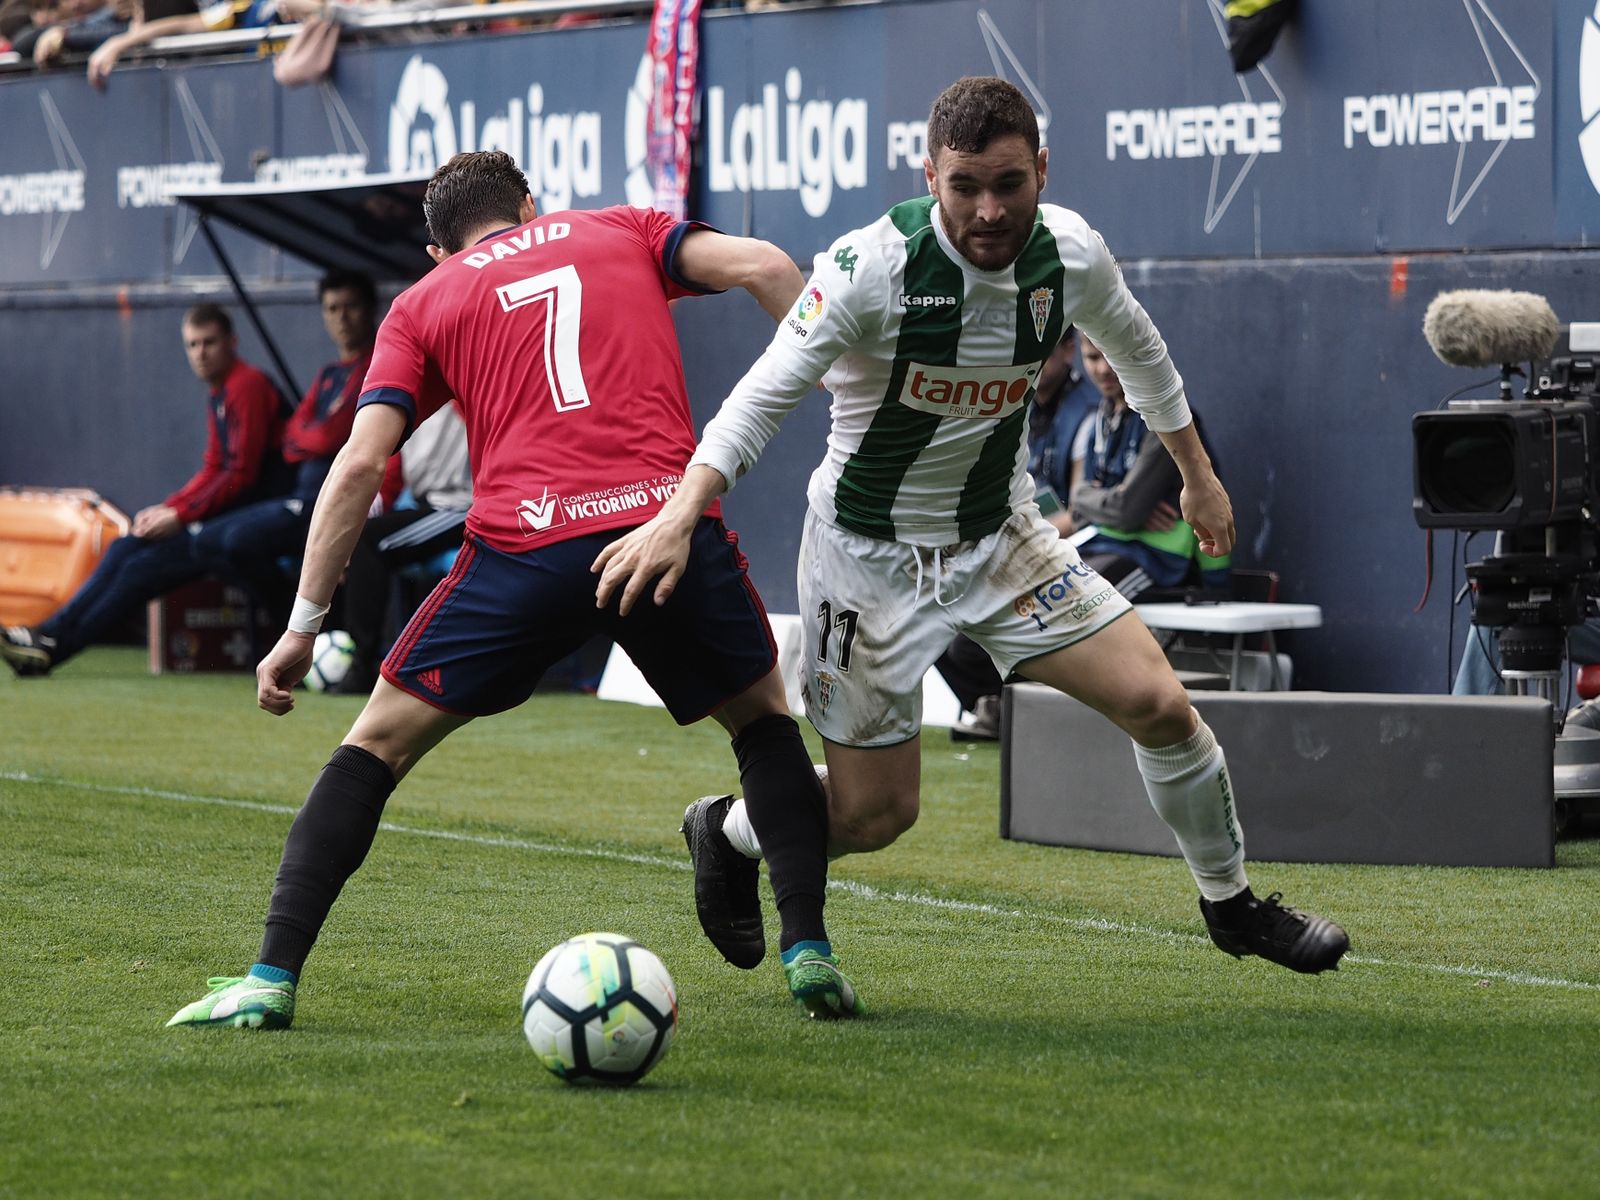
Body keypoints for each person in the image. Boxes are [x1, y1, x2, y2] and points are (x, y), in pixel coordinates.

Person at [596, 76, 1349, 985]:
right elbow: (761, 397)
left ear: (1042, 170)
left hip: (1002, 541)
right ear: (930, 177)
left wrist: (1199, 476)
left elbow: (1143, 355)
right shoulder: (868, 268)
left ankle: (1232, 906)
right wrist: (680, 514)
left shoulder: (1070, 254)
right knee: (875, 818)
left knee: (1161, 705)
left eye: (1008, 184)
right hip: (865, 563)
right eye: (965, 187)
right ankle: (729, 828)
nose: (989, 210)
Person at [164, 149, 857, 1031]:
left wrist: (303, 626)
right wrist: (839, 379)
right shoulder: (622, 228)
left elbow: (359, 465)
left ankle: (270, 978)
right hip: (660, 533)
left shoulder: (424, 301)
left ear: (435, 249)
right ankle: (809, 954)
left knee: (374, 747)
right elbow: (763, 263)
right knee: (762, 726)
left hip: (525, 552)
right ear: (530, 205)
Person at [1, 303, 288, 678]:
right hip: (221, 519)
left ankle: (52, 649)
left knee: (139, 569)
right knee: (125, 545)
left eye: (209, 343)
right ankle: (47, 635)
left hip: (243, 523)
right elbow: (214, 468)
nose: (200, 353)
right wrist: (169, 508)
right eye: (192, 344)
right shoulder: (220, 392)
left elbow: (241, 474)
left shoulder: (247, 385)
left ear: (231, 342)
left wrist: (180, 515)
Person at [938, 326, 1100, 740]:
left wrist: (1010, 537)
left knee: (977, 637)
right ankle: (996, 709)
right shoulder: (1011, 400)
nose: (1027, 360)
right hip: (1015, 539)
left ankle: (1025, 716)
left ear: (1069, 351)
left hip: (1058, 550)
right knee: (936, 620)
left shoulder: (1089, 411)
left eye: (1040, 351)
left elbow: (1080, 512)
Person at [191, 270, 382, 621]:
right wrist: (312, 438)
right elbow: (290, 436)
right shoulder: (328, 373)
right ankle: (297, 625)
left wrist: (310, 438)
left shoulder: (378, 365)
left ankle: (306, 627)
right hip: (301, 497)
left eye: (351, 306)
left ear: (371, 309)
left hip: (333, 498)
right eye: (332, 308)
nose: (342, 317)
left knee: (237, 541)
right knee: (205, 541)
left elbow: (330, 435)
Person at [1067, 334, 1232, 602]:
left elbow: (1126, 511)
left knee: (1076, 602)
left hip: (1160, 561)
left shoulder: (1165, 421)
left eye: (1111, 355)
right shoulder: (1099, 420)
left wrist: (1091, 498)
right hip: (1101, 547)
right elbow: (1078, 514)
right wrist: (1097, 501)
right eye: (1093, 357)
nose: (1103, 369)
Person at [330, 400, 472, 695]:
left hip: (467, 507)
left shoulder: (464, 390)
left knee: (371, 541)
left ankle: (364, 662)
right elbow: (386, 480)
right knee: (358, 535)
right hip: (427, 506)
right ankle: (361, 655)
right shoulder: (406, 405)